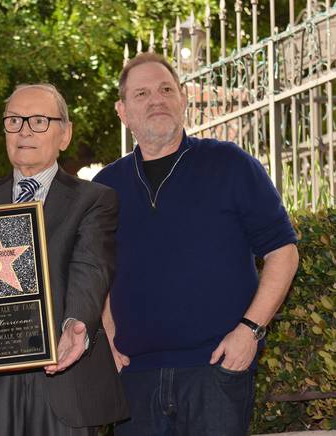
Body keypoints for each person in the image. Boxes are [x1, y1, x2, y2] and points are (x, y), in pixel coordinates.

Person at [93, 52, 299, 436]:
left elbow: (282, 252)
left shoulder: (231, 164)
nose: (157, 99)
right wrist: (105, 334)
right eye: (142, 94)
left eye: (166, 89)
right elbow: (99, 269)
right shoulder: (106, 186)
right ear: (122, 111)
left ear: (182, 99)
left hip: (216, 371)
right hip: (133, 377)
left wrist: (249, 331)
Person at [0, 83, 129, 436]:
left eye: (39, 121)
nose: (25, 130)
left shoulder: (94, 200)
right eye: (14, 121)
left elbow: (91, 269)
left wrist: (75, 324)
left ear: (65, 134)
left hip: (62, 376)